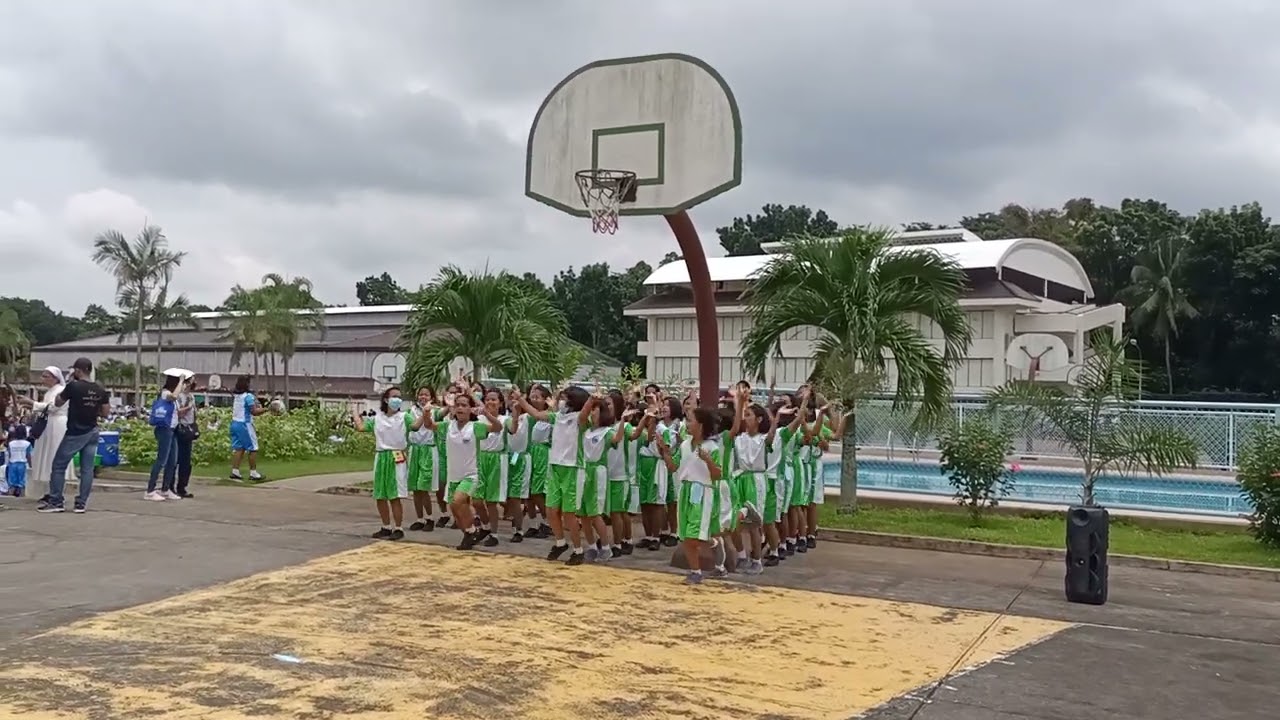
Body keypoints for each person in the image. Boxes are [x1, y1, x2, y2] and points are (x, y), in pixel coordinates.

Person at [658, 406, 727, 585]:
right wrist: (664, 452)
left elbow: (717, 475)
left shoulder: (711, 447)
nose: (687, 424)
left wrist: (708, 461)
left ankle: (712, 543)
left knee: (694, 535)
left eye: (690, 420)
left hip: (703, 492)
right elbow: (673, 467)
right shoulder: (685, 445)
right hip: (685, 490)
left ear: (701, 425)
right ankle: (695, 571)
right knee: (686, 536)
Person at [37, 358, 109, 513]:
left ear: (77, 370)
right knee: (87, 469)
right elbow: (105, 412)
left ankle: (56, 501)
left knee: (58, 466)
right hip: (93, 430)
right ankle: (81, 504)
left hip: (76, 431)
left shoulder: (73, 386)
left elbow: (57, 402)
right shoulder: (100, 389)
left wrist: (70, 383)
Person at [352, 387, 416, 540]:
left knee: (395, 495)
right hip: (381, 456)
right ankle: (386, 526)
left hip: (397, 456)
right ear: (386, 400)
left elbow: (415, 426)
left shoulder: (404, 417)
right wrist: (355, 412)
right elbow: (361, 427)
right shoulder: (377, 418)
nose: (397, 400)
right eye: (394, 396)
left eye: (399, 397)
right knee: (380, 495)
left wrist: (426, 413)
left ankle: (398, 528)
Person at [12, 367, 69, 499]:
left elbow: (53, 407)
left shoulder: (60, 391)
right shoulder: (49, 392)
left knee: (54, 456)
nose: (42, 379)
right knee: (46, 457)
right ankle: (49, 491)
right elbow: (44, 408)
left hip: (57, 425)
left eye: (45, 376)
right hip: (47, 425)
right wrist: (30, 405)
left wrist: (32, 403)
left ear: (55, 378)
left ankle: (56, 492)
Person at [145, 373, 184, 502]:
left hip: (172, 429)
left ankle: (165, 489)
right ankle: (150, 490)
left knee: (172, 461)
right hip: (164, 429)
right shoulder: (165, 393)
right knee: (161, 459)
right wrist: (181, 381)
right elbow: (173, 396)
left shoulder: (174, 398)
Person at [229, 375, 268, 481]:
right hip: (245, 425)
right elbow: (254, 412)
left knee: (239, 448)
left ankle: (235, 471)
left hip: (235, 423)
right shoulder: (248, 396)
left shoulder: (237, 396)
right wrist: (266, 409)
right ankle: (253, 473)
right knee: (253, 448)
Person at [173, 383, 199, 499]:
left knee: (186, 462)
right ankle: (170, 486)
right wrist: (188, 406)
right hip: (180, 428)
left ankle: (182, 487)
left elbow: (194, 414)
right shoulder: (178, 396)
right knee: (175, 460)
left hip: (189, 429)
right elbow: (178, 413)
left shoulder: (191, 396)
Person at [5, 425, 32, 497]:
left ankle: (11, 496)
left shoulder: (11, 443)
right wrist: (30, 465)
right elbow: (28, 455)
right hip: (22, 464)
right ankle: (21, 496)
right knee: (22, 482)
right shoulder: (27, 444)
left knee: (12, 482)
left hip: (12, 463)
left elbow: (9, 454)